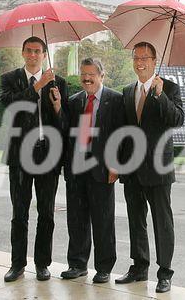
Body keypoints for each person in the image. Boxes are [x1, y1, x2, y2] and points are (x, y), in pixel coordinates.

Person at [117, 42, 184, 293]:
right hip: (132, 169)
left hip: (159, 169)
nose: (139, 62)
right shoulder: (127, 91)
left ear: (154, 61)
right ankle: (139, 266)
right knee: (136, 221)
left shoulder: (169, 88)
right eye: (136, 57)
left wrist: (161, 95)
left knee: (162, 223)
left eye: (145, 58)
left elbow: (177, 119)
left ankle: (165, 273)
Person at [0, 36, 68, 282]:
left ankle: (42, 264)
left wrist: (59, 106)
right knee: (20, 213)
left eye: (37, 51)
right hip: (20, 156)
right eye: (28, 51)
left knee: (47, 213)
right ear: (22, 53)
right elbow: (10, 107)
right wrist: (37, 87)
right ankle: (17, 264)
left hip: (47, 155)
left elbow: (65, 124)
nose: (33, 55)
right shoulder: (10, 79)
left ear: (44, 54)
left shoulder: (58, 82)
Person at [58, 58, 123, 284]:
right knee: (76, 219)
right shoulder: (74, 101)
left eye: (91, 75)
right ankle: (77, 264)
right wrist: (58, 106)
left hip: (102, 169)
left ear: (101, 76)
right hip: (76, 169)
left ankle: (104, 268)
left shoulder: (115, 100)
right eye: (83, 74)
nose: (86, 79)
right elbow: (65, 132)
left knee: (103, 220)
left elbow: (122, 134)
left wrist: (116, 165)